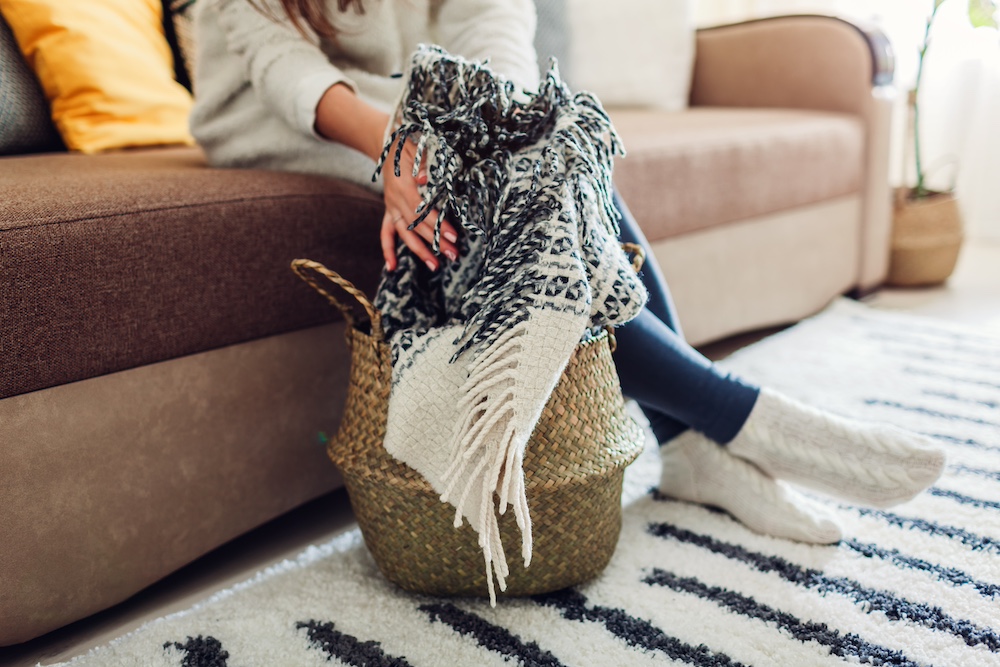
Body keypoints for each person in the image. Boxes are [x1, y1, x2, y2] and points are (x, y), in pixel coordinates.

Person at [190, 0, 946, 545]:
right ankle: (733, 416)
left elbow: (493, 23)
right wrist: (403, 151)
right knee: (482, 198)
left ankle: (688, 448)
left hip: (419, 106)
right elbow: (282, 66)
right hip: (286, 115)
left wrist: (510, 139)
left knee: (559, 156)